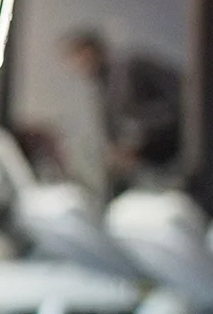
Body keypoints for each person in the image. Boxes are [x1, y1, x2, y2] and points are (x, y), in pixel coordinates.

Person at [58, 29, 184, 196]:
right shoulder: (101, 92)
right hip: (141, 180)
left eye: (79, 54)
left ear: (94, 49)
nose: (78, 63)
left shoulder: (133, 67)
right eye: (73, 59)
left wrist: (135, 143)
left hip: (170, 172)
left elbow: (182, 104)